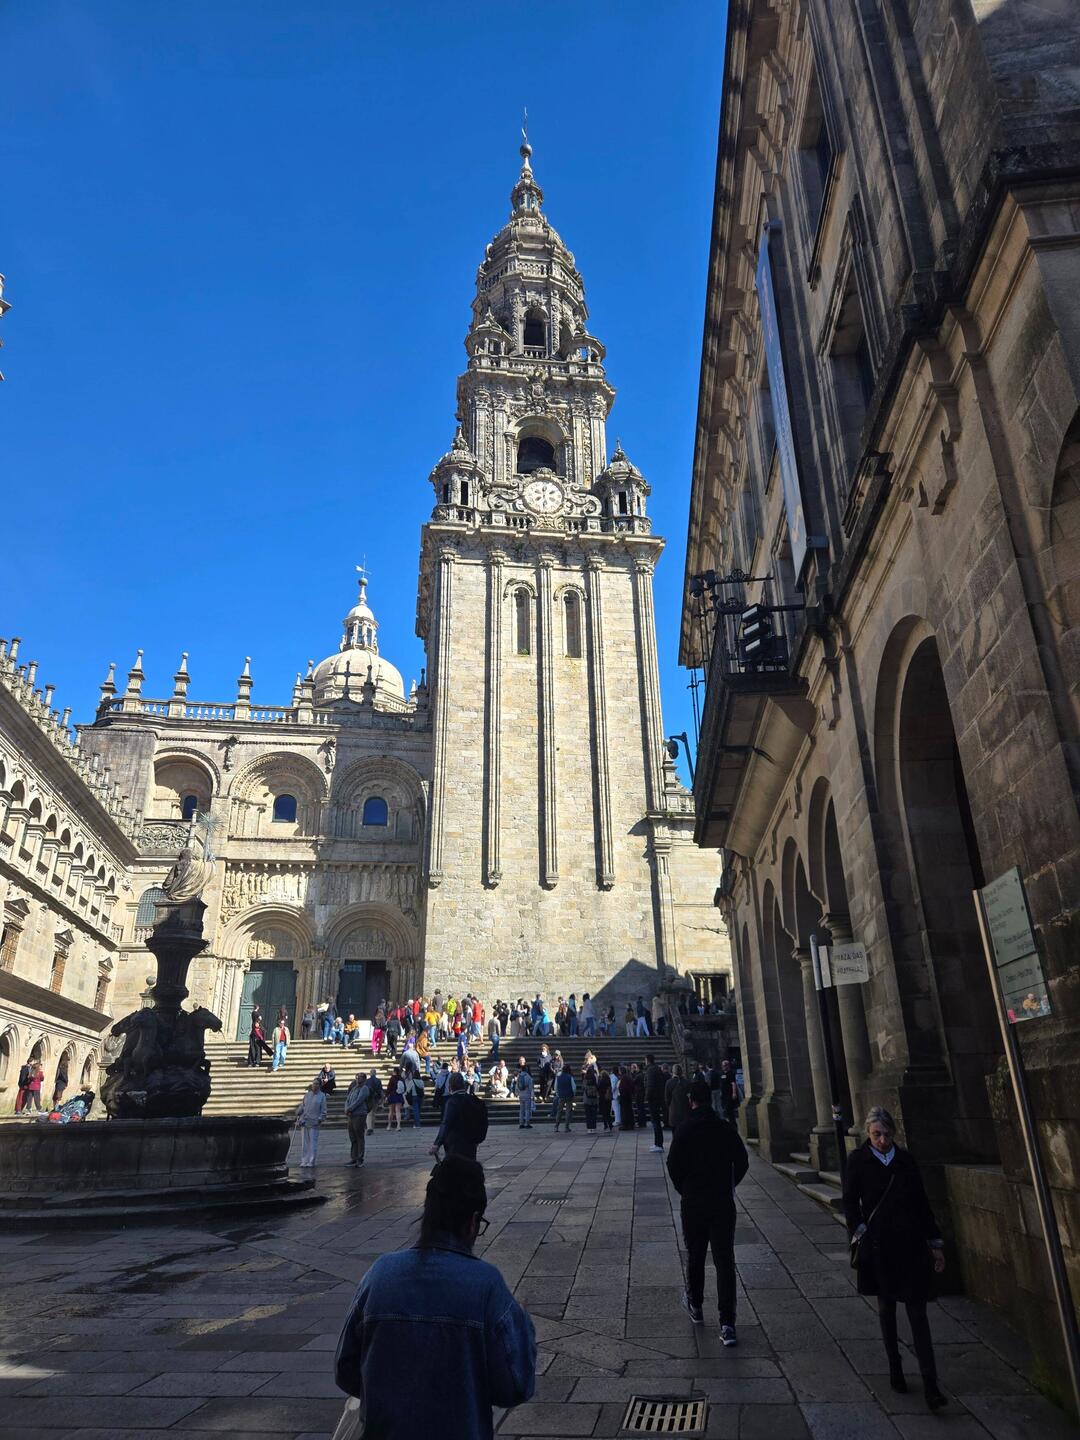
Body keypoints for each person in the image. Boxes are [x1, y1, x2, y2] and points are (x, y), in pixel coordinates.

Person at [334, 1154, 535, 1440]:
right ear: (473, 1221)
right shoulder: (486, 1285)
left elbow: (346, 1369)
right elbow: (515, 1386)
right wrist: (523, 1324)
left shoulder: (380, 1274)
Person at [843, 1107, 948, 1410]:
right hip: (880, 1248)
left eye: (887, 1134)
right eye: (877, 1134)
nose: (882, 1139)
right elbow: (850, 1202)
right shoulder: (858, 1162)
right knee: (886, 1310)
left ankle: (930, 1384)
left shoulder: (906, 1161)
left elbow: (922, 1203)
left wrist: (935, 1243)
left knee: (918, 1314)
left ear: (893, 1133)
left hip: (911, 1245)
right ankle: (895, 1367)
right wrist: (859, 1229)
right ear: (868, 1133)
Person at [667, 1077, 749, 1344]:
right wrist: (728, 1184)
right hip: (722, 1202)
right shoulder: (724, 1128)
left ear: (691, 1101)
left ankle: (696, 1305)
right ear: (709, 1099)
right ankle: (727, 1324)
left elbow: (673, 1166)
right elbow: (743, 1161)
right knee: (724, 1261)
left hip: (694, 1202)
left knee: (696, 1255)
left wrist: (686, 1189)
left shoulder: (684, 1129)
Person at [430, 1072, 489, 1161]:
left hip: (455, 1143)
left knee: (456, 1169)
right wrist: (478, 1139)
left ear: (450, 1086)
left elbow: (446, 1123)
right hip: (471, 1142)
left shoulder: (452, 1102)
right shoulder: (473, 1100)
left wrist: (437, 1144)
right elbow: (484, 1122)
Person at [294, 1077, 327, 1169]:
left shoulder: (322, 1096)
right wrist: (298, 1111)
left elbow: (323, 1110)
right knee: (304, 1143)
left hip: (314, 1122)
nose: (315, 1085)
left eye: (317, 1084)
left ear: (320, 1085)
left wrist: (320, 1119)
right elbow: (302, 1106)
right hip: (304, 1121)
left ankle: (311, 1161)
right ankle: (304, 1161)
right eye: (313, 1084)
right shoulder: (307, 1095)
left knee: (313, 1143)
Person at [344, 1071, 374, 1167]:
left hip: (359, 1114)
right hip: (351, 1115)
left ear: (364, 1079)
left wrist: (350, 1108)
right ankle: (354, 1158)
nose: (358, 1079)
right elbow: (347, 1099)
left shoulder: (364, 1088)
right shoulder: (354, 1088)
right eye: (357, 1077)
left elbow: (359, 1100)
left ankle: (360, 1158)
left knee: (359, 1136)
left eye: (360, 1077)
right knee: (352, 1137)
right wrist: (346, 1108)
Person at [644, 1053, 666, 1152]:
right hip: (658, 1097)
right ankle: (657, 1143)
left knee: (655, 1121)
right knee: (655, 1121)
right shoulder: (656, 1068)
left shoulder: (650, 1070)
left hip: (653, 1098)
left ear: (647, 1060)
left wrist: (647, 1097)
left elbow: (650, 1085)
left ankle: (658, 1144)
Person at [666, 1064, 690, 1132]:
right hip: (685, 1110)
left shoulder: (669, 1082)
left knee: (675, 1132)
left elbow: (667, 1098)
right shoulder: (687, 1082)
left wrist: (669, 1107)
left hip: (674, 1110)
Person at [716, 1059, 740, 1125]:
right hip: (724, 1095)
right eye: (722, 1065)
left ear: (728, 1066)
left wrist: (734, 1093)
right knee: (726, 1111)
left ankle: (733, 1125)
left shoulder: (730, 1073)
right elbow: (721, 1084)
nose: (723, 1067)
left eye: (724, 1065)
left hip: (729, 1095)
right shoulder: (722, 1074)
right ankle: (731, 1123)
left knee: (729, 1111)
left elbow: (733, 1084)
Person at [553, 1064, 575, 1133]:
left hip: (561, 1095)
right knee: (568, 1111)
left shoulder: (558, 1077)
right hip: (569, 1095)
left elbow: (555, 1087)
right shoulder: (570, 1077)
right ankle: (566, 1127)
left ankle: (556, 1126)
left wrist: (558, 1094)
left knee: (559, 1111)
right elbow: (574, 1087)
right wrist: (573, 1094)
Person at [517, 1059, 534, 1128]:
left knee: (521, 1109)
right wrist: (532, 1095)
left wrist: (517, 1093)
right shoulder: (528, 1077)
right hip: (527, 1094)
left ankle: (521, 1123)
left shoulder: (519, 1076)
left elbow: (517, 1086)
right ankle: (527, 1123)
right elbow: (531, 1087)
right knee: (527, 1110)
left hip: (521, 1094)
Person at [583, 1065, 599, 1132]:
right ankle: (594, 1127)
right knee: (594, 1114)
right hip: (594, 1098)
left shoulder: (585, 1079)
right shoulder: (594, 1078)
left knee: (588, 1114)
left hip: (587, 1099)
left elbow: (583, 1088)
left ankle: (589, 1128)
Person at [598, 1066, 614, 1132]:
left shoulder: (601, 1081)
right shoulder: (609, 1080)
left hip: (602, 1098)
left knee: (604, 1113)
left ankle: (606, 1125)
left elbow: (598, 1088)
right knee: (608, 1112)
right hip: (608, 1098)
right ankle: (610, 1124)